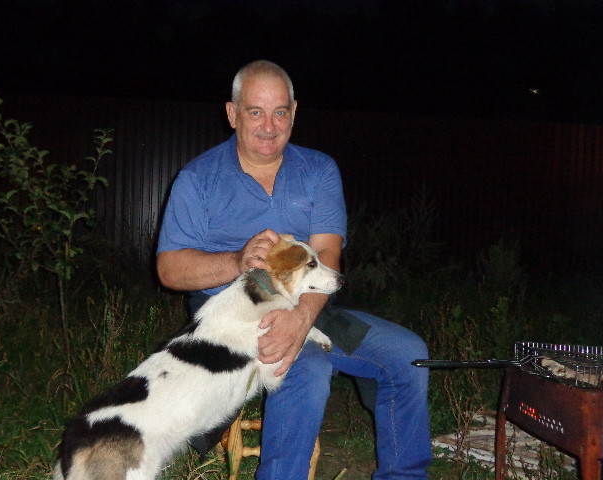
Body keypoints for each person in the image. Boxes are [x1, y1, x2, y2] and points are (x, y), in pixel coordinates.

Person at [156, 60, 431, 480]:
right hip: (233, 322)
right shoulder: (197, 179)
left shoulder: (318, 170)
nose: (269, 126)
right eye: (255, 111)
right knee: (305, 366)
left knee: (407, 355)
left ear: (294, 112)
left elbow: (328, 252)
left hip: (312, 307)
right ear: (232, 114)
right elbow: (169, 270)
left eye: (280, 112)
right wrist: (237, 261)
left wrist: (301, 317)